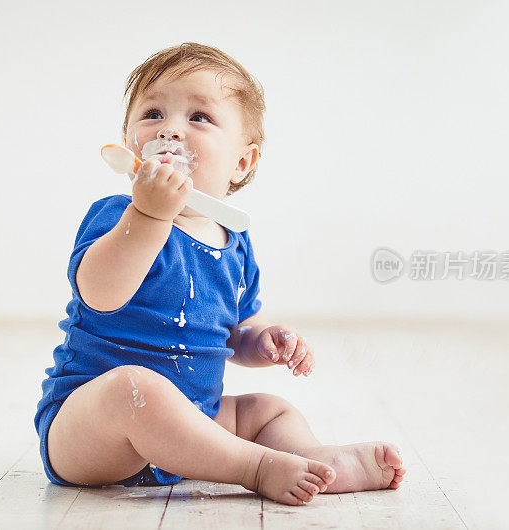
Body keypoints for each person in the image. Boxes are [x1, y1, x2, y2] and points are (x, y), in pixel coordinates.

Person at [34, 42, 405, 506]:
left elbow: (234, 333)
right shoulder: (119, 217)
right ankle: (253, 465)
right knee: (137, 387)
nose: (169, 128)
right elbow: (100, 294)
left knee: (267, 411)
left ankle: (318, 460)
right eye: (152, 113)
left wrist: (261, 340)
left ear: (241, 163)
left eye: (199, 118)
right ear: (129, 142)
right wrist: (150, 216)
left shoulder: (234, 243)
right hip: (93, 430)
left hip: (197, 422)